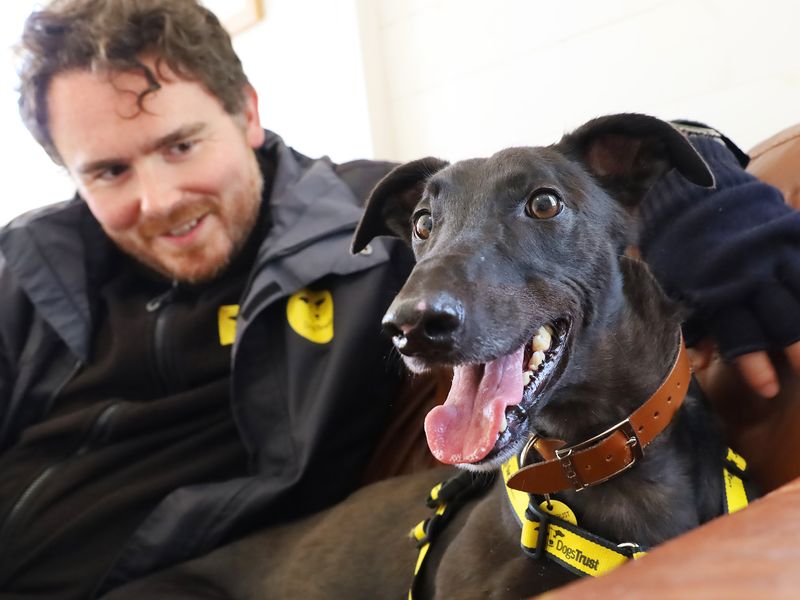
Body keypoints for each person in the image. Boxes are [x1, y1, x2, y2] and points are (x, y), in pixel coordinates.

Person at [1, 1, 798, 598]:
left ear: (245, 111)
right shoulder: (27, 266)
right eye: (107, 171)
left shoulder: (364, 229)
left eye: (180, 145)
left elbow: (532, 198)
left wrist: (706, 198)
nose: (160, 196)